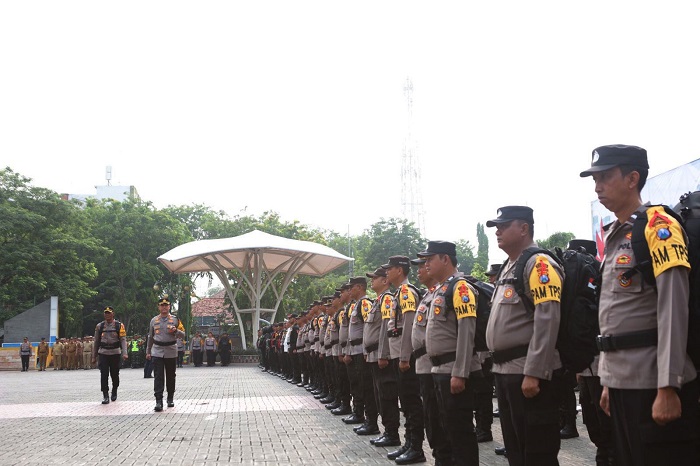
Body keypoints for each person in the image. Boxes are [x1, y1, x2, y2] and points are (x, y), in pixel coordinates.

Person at [580, 144, 699, 465]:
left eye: (605, 176)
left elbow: (674, 308)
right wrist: (608, 382)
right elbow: (612, 319)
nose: (598, 186)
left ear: (633, 178)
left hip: (653, 381)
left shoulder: (658, 227)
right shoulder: (617, 234)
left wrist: (668, 385)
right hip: (621, 383)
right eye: (595, 179)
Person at [485, 205, 565, 466]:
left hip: (528, 373)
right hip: (507, 372)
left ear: (523, 228)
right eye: (496, 226)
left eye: (504, 225)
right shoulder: (510, 266)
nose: (497, 231)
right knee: (517, 450)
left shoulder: (539, 264)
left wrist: (535, 372)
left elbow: (548, 317)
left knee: (537, 452)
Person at [421, 240, 481, 466]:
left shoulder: (460, 287)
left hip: (454, 370)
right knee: (445, 429)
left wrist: (461, 372)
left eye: (430, 259)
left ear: (445, 259)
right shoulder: (441, 289)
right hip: (440, 370)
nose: (426, 264)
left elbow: (467, 331)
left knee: (460, 432)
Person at [409, 256, 452, 464]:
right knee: (431, 417)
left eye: (424, 265)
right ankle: (439, 457)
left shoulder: (444, 292)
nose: (421, 270)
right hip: (424, 365)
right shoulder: (428, 295)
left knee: (440, 417)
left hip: (436, 364)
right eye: (419, 266)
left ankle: (444, 458)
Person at [382, 255, 426, 465]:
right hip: (399, 353)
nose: (387, 273)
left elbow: (409, 324)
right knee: (406, 402)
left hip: (404, 355)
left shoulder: (407, 292)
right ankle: (409, 443)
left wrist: (405, 356)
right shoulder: (399, 292)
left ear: (399, 270)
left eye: (389, 269)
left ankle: (416, 447)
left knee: (411, 402)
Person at [146, 297, 186, 412]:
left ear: (169, 307)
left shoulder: (175, 320)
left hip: (171, 350)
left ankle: (170, 398)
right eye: (162, 305)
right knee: (158, 376)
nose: (164, 307)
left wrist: (176, 331)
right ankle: (158, 401)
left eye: (166, 305)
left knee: (170, 375)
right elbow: (150, 336)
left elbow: (183, 335)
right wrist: (148, 351)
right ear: (158, 307)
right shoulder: (154, 320)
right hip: (157, 350)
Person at [91, 307, 128, 403]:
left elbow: (123, 340)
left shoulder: (119, 325)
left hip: (115, 352)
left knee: (115, 374)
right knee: (104, 374)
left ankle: (114, 389)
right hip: (103, 353)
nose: (107, 315)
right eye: (105, 313)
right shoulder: (100, 326)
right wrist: (94, 356)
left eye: (109, 313)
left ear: (113, 314)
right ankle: (105, 395)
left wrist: (125, 353)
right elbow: (96, 341)